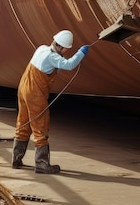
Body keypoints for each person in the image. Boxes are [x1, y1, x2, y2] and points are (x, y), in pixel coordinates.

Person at [12, 30, 89, 174]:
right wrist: (81, 52)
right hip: (34, 93)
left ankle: (16, 160)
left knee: (23, 123)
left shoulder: (41, 48)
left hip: (23, 88)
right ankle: (41, 164)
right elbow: (69, 64)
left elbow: (51, 66)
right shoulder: (52, 57)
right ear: (65, 48)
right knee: (40, 127)